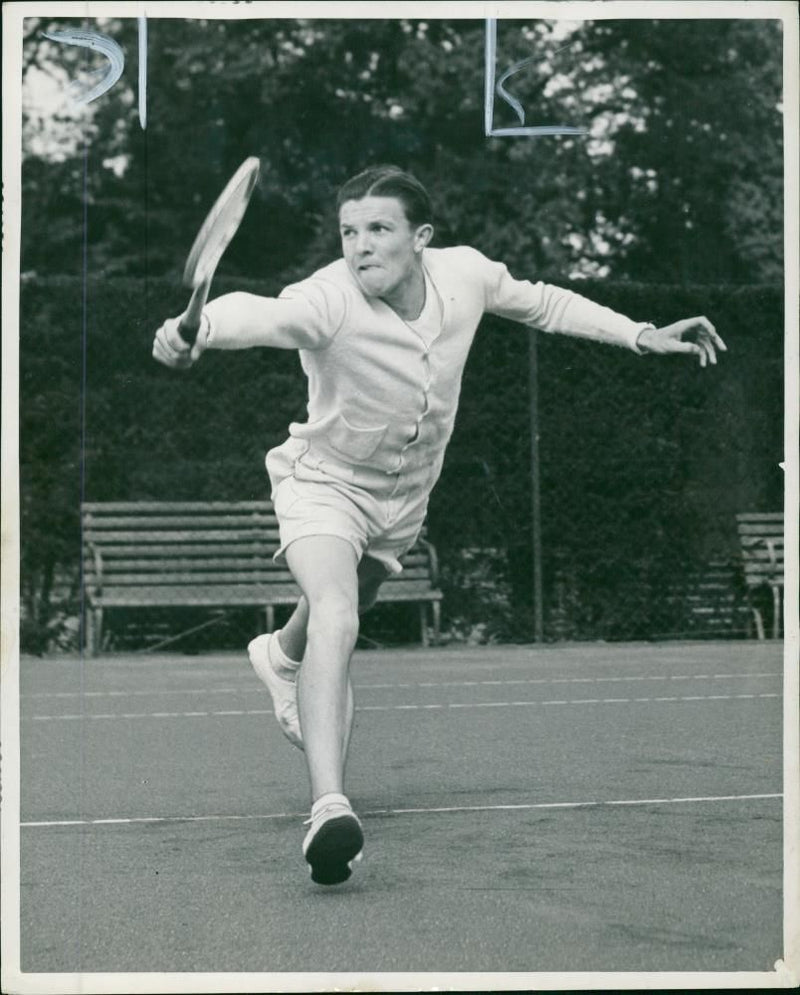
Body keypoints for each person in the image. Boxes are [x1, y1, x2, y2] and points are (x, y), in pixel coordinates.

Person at [152, 164, 726, 886]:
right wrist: (197, 328)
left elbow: (545, 303)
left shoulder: (467, 275)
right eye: (349, 231)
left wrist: (641, 333)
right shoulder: (327, 297)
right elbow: (261, 313)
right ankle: (329, 805)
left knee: (348, 602)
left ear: (420, 237)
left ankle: (278, 654)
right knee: (338, 611)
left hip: (404, 499)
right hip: (322, 484)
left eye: (379, 229)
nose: (360, 246)